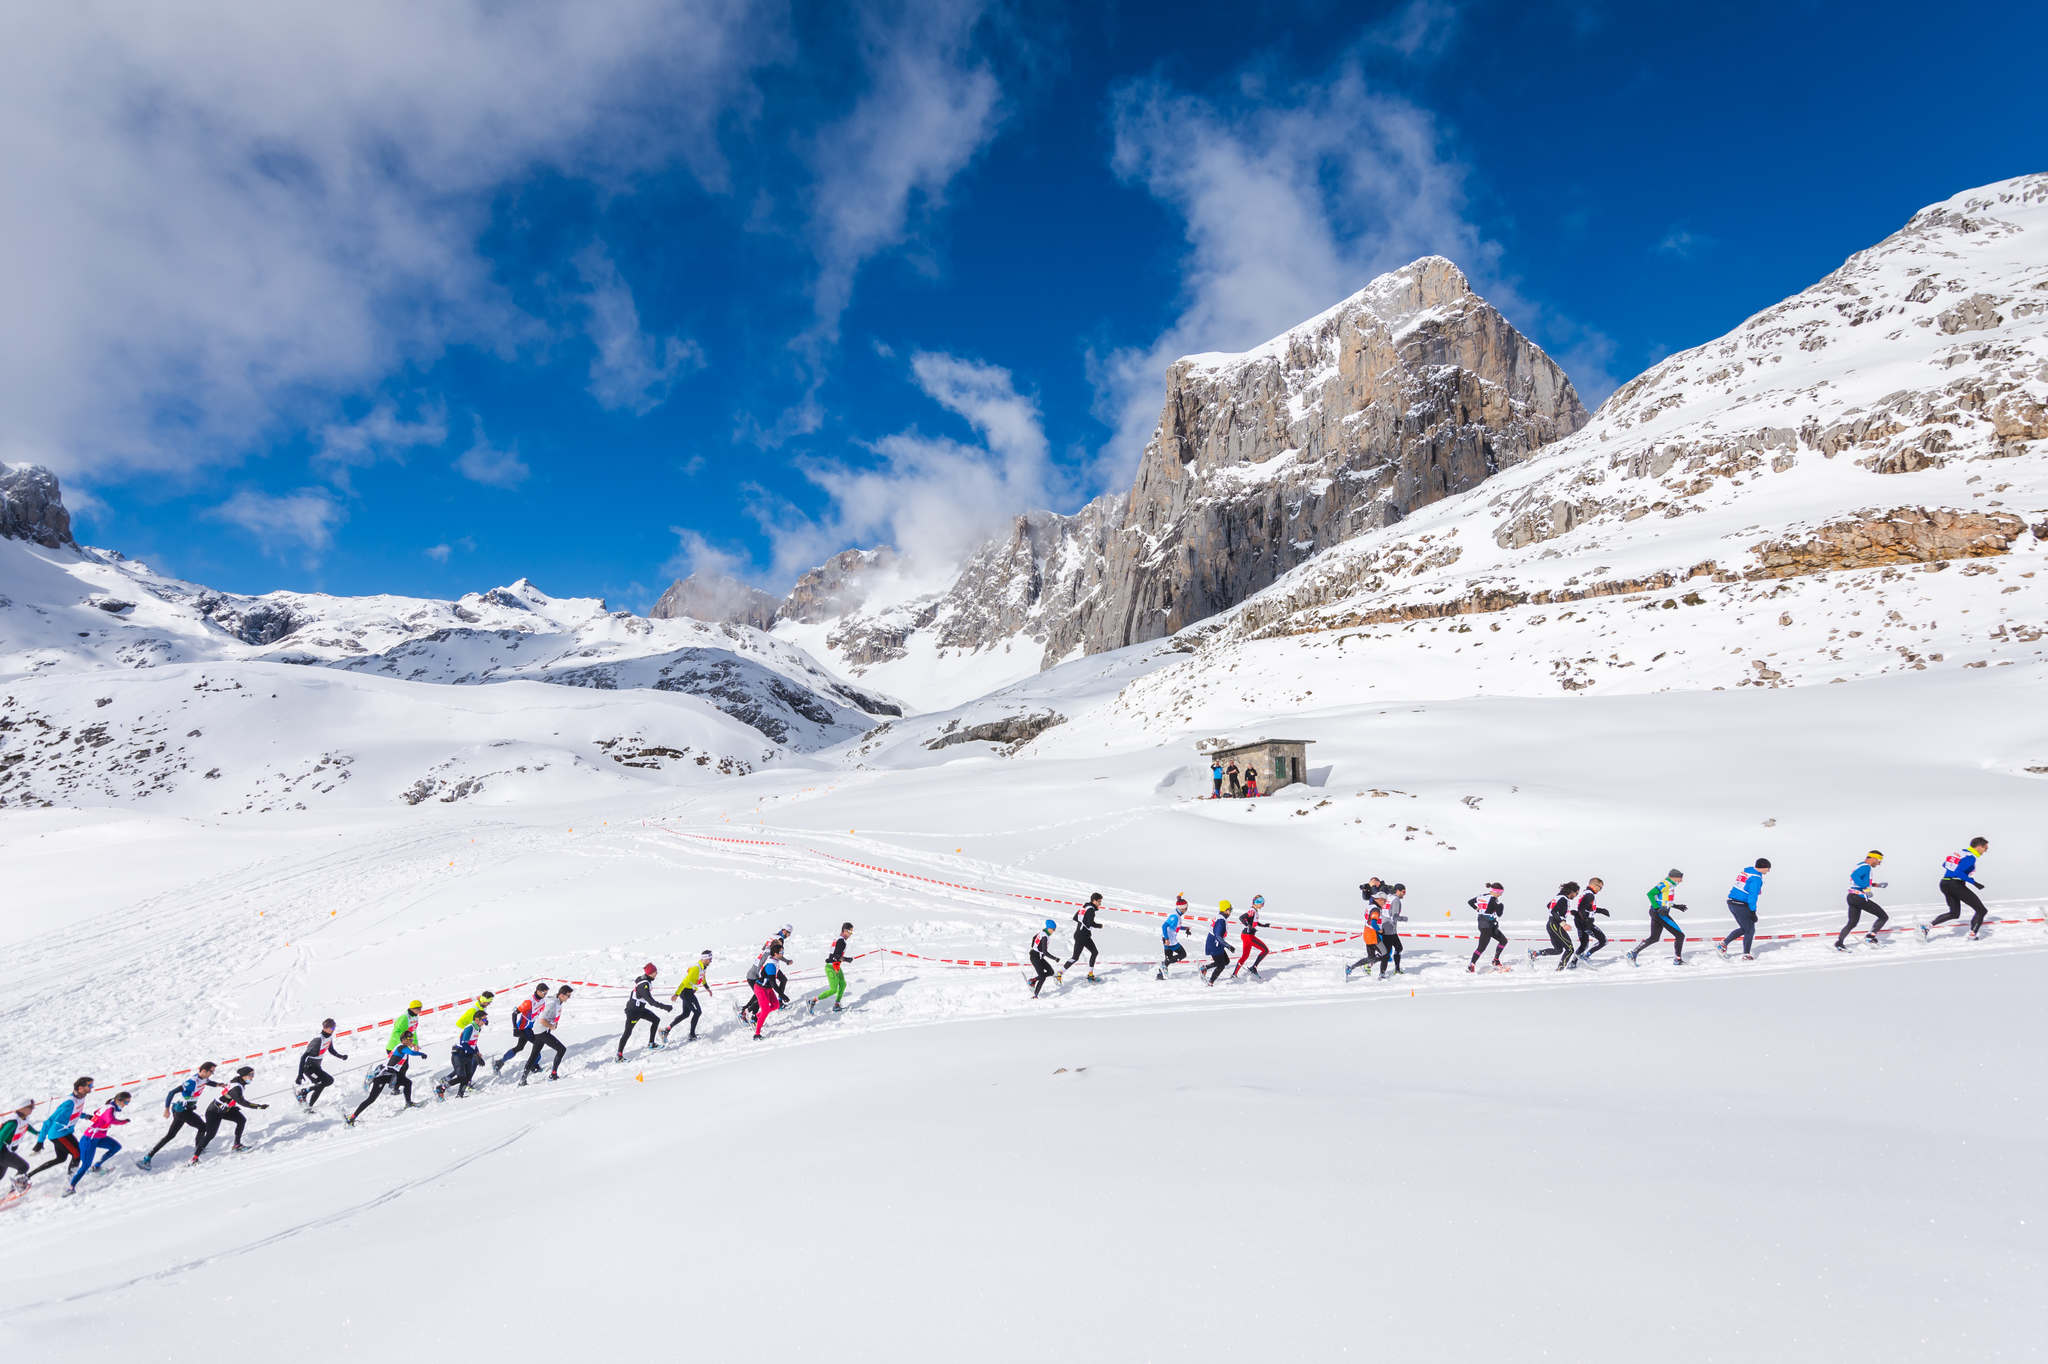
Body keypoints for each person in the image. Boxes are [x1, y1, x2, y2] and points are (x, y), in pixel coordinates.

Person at [139, 1065, 220, 1168]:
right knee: (203, 1127)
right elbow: (171, 1092)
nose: (211, 1074)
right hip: (183, 1111)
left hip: (182, 1110)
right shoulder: (192, 1082)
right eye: (211, 1072)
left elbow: (208, 1082)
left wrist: (218, 1084)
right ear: (204, 1071)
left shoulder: (204, 1079)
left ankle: (148, 1157)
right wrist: (166, 1109)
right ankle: (199, 1148)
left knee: (170, 1135)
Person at [1922, 838, 1991, 940]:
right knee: (1981, 910)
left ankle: (1926, 927)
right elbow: (1958, 872)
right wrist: (1974, 882)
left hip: (1944, 883)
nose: (1985, 851)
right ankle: (1972, 934)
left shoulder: (1960, 853)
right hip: (1955, 884)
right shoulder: (1970, 857)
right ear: (1979, 846)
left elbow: (1945, 864)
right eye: (1985, 848)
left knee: (1954, 913)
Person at [193, 1067, 266, 1160]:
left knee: (241, 1120)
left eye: (253, 1074)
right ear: (244, 1076)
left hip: (224, 1109)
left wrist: (232, 1106)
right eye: (251, 1075)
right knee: (210, 1134)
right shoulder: (236, 1087)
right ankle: (195, 1157)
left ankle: (237, 1145)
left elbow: (229, 1098)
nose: (252, 1077)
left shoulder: (239, 1083)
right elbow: (243, 1102)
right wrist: (258, 1106)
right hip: (214, 1111)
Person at [65, 1093, 130, 1194]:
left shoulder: (110, 1106)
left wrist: (101, 1121)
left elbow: (96, 1112)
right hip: (89, 1139)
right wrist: (123, 1121)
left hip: (99, 1137)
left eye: (128, 1102)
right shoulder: (110, 1108)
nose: (126, 1104)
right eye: (126, 1102)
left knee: (116, 1147)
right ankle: (71, 1187)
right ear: (119, 1100)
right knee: (85, 1165)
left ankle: (96, 1166)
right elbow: (110, 1120)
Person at [28, 1077, 93, 1179]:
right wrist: (40, 1141)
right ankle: (70, 1182)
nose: (92, 1088)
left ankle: (28, 1176)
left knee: (61, 1158)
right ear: (80, 1088)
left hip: (65, 1132)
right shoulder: (69, 1103)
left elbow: (76, 1112)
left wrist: (87, 1117)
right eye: (89, 1086)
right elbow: (48, 1121)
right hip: (59, 1135)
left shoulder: (81, 1098)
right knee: (77, 1155)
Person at [347, 1042, 425, 1125]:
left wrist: (412, 1046)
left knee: (408, 1083)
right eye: (409, 1039)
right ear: (404, 1040)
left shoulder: (401, 1048)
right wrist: (421, 1053)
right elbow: (411, 1053)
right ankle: (352, 1118)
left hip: (390, 1076)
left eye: (412, 1039)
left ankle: (408, 1103)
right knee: (371, 1099)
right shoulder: (402, 1048)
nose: (411, 1040)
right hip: (381, 1077)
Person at [435, 993, 494, 1100]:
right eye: (484, 1020)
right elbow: (464, 1043)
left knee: (466, 1078)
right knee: (462, 1077)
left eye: (486, 1020)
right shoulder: (470, 1027)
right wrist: (475, 1054)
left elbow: (473, 1043)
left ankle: (460, 1096)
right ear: (477, 1019)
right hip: (458, 1054)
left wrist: (477, 1053)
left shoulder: (478, 1028)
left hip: (466, 1054)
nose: (485, 1022)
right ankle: (441, 1088)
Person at [1628, 872, 1688, 965]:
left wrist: (1677, 906)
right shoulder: (1665, 884)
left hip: (1657, 912)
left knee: (1654, 938)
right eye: (1680, 878)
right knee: (1680, 935)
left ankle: (1633, 953)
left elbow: (1664, 901)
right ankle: (1677, 959)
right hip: (1659, 913)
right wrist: (1657, 908)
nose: (1681, 881)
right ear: (1674, 877)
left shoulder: (1670, 885)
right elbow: (1650, 894)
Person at [1719, 859, 1771, 960]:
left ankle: (1723, 944)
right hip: (1740, 904)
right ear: (1763, 867)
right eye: (1768, 868)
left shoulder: (1749, 871)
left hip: (1732, 902)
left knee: (1745, 928)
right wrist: (1753, 911)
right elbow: (1752, 896)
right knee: (1750, 930)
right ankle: (1746, 954)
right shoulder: (1756, 879)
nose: (1768, 871)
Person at [1836, 852, 1890, 950]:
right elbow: (1854, 876)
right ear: (1873, 858)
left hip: (1852, 897)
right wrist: (1866, 889)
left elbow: (1860, 880)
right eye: (1879, 861)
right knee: (1883, 917)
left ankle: (1839, 943)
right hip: (1858, 898)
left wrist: (1877, 885)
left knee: (1852, 923)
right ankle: (1869, 938)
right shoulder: (1866, 867)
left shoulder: (1860, 865)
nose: (1879, 864)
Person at [742, 926, 794, 1022]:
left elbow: (765, 950)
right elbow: (776, 955)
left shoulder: (773, 937)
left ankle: (749, 1011)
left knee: (780, 981)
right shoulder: (779, 940)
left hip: (761, 969)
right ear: (784, 931)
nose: (789, 935)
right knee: (762, 995)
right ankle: (748, 1013)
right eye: (788, 933)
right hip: (757, 974)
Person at [618, 965, 670, 1060]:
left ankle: (651, 1044)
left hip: (640, 1009)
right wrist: (665, 1007)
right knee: (628, 1032)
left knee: (656, 1020)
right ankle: (619, 1056)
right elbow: (651, 1002)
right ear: (650, 973)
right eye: (655, 972)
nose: (656, 974)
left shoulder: (646, 980)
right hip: (633, 1011)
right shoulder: (643, 985)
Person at [295, 1019, 349, 1109]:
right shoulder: (317, 1040)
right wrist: (299, 1075)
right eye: (333, 1027)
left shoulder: (329, 1037)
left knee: (328, 1081)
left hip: (316, 1067)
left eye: (334, 1027)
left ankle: (305, 1095)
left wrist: (341, 1056)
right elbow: (303, 1057)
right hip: (308, 1068)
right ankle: (304, 1097)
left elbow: (331, 1050)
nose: (334, 1029)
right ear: (326, 1028)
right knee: (323, 1082)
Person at [523, 986, 573, 1083]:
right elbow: (542, 1020)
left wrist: (554, 1023)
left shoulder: (557, 1001)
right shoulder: (552, 1003)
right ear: (562, 995)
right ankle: (553, 1074)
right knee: (561, 1049)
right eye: (568, 996)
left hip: (539, 1031)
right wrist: (551, 1026)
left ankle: (522, 1080)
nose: (569, 998)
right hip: (541, 1032)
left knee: (533, 1056)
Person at [497, 985, 550, 1074]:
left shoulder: (542, 1001)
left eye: (546, 993)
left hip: (529, 1028)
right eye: (544, 992)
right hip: (523, 1029)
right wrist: (515, 1028)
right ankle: (533, 1066)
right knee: (538, 1046)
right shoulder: (529, 1002)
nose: (545, 994)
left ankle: (500, 1062)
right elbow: (514, 1013)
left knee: (520, 1047)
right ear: (537, 991)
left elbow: (539, 1015)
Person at [1530, 883, 1581, 970]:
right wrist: (1563, 923)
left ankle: (1535, 953)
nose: (1576, 896)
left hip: (1551, 924)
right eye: (1576, 893)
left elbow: (1549, 905)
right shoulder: (1563, 899)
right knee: (1570, 949)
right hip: (1556, 924)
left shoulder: (1558, 897)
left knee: (1558, 950)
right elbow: (1554, 911)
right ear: (1572, 891)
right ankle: (1560, 970)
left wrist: (1564, 913)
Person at [664, 954, 713, 1040]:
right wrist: (676, 994)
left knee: (686, 1014)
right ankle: (692, 1035)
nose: (710, 961)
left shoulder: (703, 968)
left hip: (689, 992)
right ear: (704, 959)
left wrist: (707, 988)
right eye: (709, 959)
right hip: (685, 992)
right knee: (697, 1012)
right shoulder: (696, 968)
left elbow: (703, 979)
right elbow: (684, 982)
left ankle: (667, 1030)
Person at [1062, 894, 1106, 982]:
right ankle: (1059, 973)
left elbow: (1075, 918)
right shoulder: (1091, 910)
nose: (1100, 904)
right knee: (1075, 957)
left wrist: (1083, 923)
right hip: (1082, 936)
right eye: (1099, 901)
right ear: (1094, 900)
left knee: (1094, 952)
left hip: (1082, 935)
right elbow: (1090, 923)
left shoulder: (1085, 907)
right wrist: (1099, 925)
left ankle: (1090, 975)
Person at [1468, 883, 1509, 972]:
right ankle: (1471, 964)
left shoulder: (1482, 896)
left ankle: (1496, 960)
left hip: (1485, 924)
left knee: (1503, 941)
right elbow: (1497, 913)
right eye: (1500, 892)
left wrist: (1476, 908)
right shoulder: (1493, 899)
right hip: (1487, 926)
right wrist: (1500, 907)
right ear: (1495, 891)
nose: (1501, 894)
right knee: (1481, 947)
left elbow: (1470, 902)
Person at [812, 926, 853, 1014]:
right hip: (831, 967)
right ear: (845, 930)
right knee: (833, 989)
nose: (850, 934)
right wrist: (846, 959)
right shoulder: (841, 941)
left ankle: (836, 1004)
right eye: (850, 931)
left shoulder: (838, 939)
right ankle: (813, 1001)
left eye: (852, 932)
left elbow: (835, 956)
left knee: (842, 984)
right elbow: (835, 957)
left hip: (836, 965)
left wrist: (843, 960)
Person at [751, 950, 788, 1039]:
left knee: (776, 1005)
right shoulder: (771, 965)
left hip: (767, 988)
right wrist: (782, 995)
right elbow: (773, 983)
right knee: (766, 1010)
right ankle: (757, 1034)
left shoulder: (775, 961)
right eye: (781, 953)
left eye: (783, 952)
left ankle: (757, 1017)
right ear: (775, 954)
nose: (782, 954)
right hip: (760, 989)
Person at [1233, 896, 1271, 978]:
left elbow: (1254, 922)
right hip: (1248, 936)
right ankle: (1254, 967)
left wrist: (1264, 925)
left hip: (1246, 935)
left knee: (1245, 955)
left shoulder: (1255, 911)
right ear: (1256, 903)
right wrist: (1248, 925)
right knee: (1265, 950)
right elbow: (1242, 918)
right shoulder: (1252, 911)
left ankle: (1234, 974)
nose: (1263, 904)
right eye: (1261, 902)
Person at [1573, 879, 1610, 963]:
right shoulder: (1590, 895)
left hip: (1579, 921)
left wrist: (1601, 910)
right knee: (1603, 941)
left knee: (1584, 945)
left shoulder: (1586, 893)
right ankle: (1585, 956)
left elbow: (1588, 908)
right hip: (1584, 922)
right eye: (1600, 887)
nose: (1600, 890)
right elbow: (1581, 909)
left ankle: (1573, 963)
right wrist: (1586, 921)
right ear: (1594, 885)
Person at [1, 1101, 35, 1192]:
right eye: (30, 1107)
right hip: (3, 1151)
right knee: (23, 1167)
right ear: (22, 1108)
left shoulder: (23, 1119)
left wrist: (37, 1133)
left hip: (7, 1150)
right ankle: (17, 1187)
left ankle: (14, 1188)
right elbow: (1, 1137)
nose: (33, 1109)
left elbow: (26, 1126)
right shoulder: (12, 1123)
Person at [1347, 896, 1383, 979]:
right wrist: (1379, 930)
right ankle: (1378, 972)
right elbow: (1373, 923)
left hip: (1367, 934)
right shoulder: (1375, 909)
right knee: (1385, 954)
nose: (1384, 903)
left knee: (1371, 958)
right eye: (1382, 901)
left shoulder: (1370, 907)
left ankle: (1351, 967)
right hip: (1372, 936)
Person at [1377, 885, 1408, 978]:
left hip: (1388, 928)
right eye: (1403, 892)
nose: (1404, 894)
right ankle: (1380, 972)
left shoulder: (1389, 896)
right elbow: (1395, 916)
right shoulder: (1396, 900)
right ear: (1397, 891)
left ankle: (1397, 969)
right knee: (1386, 954)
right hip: (1389, 929)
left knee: (1398, 948)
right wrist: (1404, 918)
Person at [1156, 901, 1192, 979]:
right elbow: (1164, 926)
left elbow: (1176, 927)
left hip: (1168, 938)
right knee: (1183, 954)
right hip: (1170, 940)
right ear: (1182, 908)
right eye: (1186, 908)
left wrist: (1185, 928)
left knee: (1168, 958)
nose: (1186, 910)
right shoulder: (1175, 916)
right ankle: (1164, 965)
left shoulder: (1177, 915)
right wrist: (1167, 939)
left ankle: (1160, 976)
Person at [1203, 903, 1235, 984]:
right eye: (1230, 910)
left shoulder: (1220, 917)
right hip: (1214, 944)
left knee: (1226, 961)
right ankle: (1210, 982)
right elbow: (1218, 936)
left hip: (1217, 943)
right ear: (1226, 910)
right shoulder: (1221, 920)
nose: (1230, 912)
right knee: (1221, 965)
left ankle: (1205, 968)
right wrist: (1228, 946)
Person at [1028, 920, 1059, 997]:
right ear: (1049, 928)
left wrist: (1034, 947)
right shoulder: (1045, 936)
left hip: (1038, 956)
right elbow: (1045, 952)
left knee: (1051, 972)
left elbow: (1033, 938)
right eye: (1053, 929)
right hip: (1035, 957)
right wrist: (1055, 958)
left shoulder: (1042, 932)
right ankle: (1035, 995)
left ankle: (1032, 980)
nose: (1054, 931)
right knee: (1042, 977)